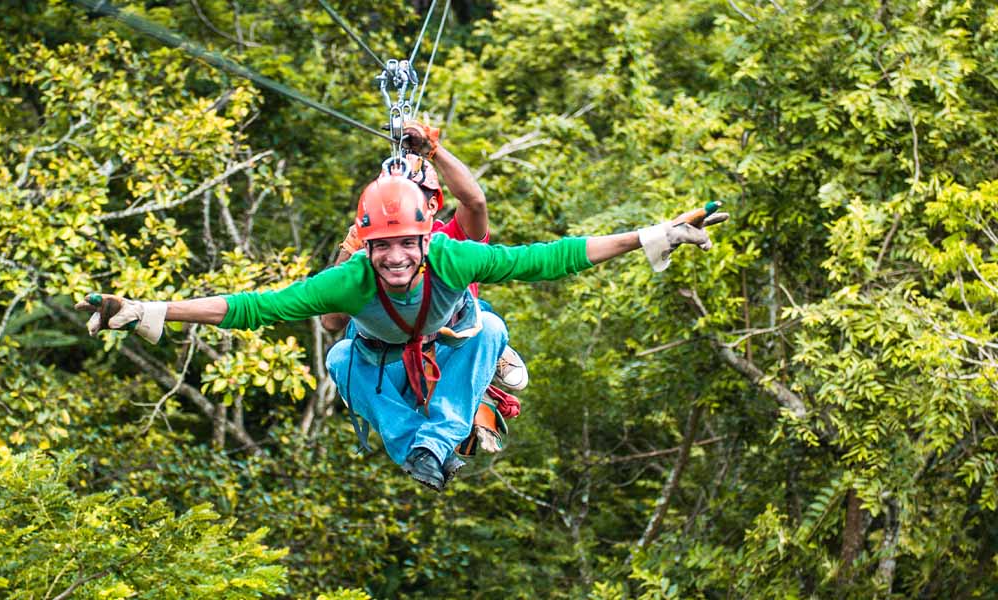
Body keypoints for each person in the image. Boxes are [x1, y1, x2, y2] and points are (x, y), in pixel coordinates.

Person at [76, 175, 727, 491]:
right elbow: (255, 307)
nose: (393, 259)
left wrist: (651, 235)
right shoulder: (350, 280)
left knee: (489, 326)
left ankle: (444, 437)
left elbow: (547, 257)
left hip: (444, 345)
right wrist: (150, 310)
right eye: (381, 247)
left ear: (425, 238)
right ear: (367, 245)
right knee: (337, 360)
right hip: (378, 359)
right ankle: (426, 448)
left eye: (404, 246)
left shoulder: (454, 257)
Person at [321, 122, 528, 411]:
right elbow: (331, 322)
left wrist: (434, 151)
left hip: (450, 348)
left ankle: (492, 350)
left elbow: (475, 203)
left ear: (432, 205)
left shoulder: (451, 238)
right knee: (347, 347)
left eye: (412, 199)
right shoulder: (373, 254)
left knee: (481, 312)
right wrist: (352, 248)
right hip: (393, 358)